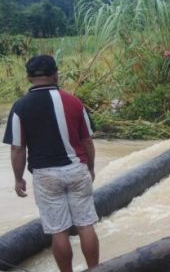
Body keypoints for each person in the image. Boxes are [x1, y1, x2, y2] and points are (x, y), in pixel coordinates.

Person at [3, 55, 99, 272]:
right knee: (86, 225)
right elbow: (87, 141)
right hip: (76, 169)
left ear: (28, 78)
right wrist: (91, 167)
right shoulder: (73, 102)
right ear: (56, 75)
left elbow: (18, 148)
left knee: (59, 231)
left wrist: (18, 179)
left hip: (46, 175)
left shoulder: (20, 107)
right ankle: (96, 269)